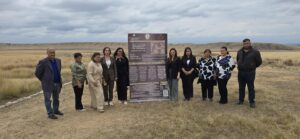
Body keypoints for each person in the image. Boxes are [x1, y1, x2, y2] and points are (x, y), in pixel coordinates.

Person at [35, 48, 63, 119]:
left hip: (57, 83)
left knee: (56, 98)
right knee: (48, 100)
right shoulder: (43, 62)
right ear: (47, 53)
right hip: (47, 85)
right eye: (51, 52)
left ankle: (56, 110)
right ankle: (50, 114)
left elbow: (58, 71)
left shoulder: (58, 61)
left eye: (53, 52)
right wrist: (44, 80)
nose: (52, 54)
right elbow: (37, 73)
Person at [236, 38, 262, 108]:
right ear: (243, 44)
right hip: (240, 72)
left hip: (250, 72)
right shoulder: (239, 51)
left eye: (248, 43)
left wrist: (252, 66)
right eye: (245, 43)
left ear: (250, 43)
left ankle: (252, 102)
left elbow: (259, 62)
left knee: (250, 87)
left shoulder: (255, 52)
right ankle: (241, 100)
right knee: (241, 87)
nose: (246, 45)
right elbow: (238, 60)